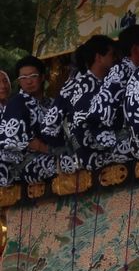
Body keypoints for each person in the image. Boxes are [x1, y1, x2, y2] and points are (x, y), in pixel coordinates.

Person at [59, 35, 123, 174]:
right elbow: (90, 129)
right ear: (99, 58)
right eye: (112, 54)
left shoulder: (99, 83)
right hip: (91, 155)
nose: (116, 59)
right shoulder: (85, 86)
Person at [0, 57, 66, 186]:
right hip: (28, 163)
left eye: (33, 76)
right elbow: (22, 139)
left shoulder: (52, 103)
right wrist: (52, 151)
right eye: (23, 78)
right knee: (72, 163)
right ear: (19, 81)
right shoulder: (17, 102)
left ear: (42, 77)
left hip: (56, 154)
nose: (28, 81)